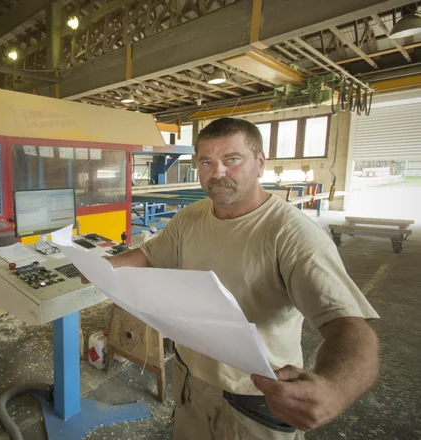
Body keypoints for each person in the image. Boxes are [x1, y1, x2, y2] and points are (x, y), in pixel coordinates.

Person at [105, 118, 380, 439]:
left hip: (255, 397)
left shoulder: (292, 234)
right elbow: (148, 256)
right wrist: (96, 270)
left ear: (260, 163)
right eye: (207, 162)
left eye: (231, 160)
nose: (217, 172)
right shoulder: (190, 218)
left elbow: (348, 325)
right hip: (191, 379)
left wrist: (336, 389)